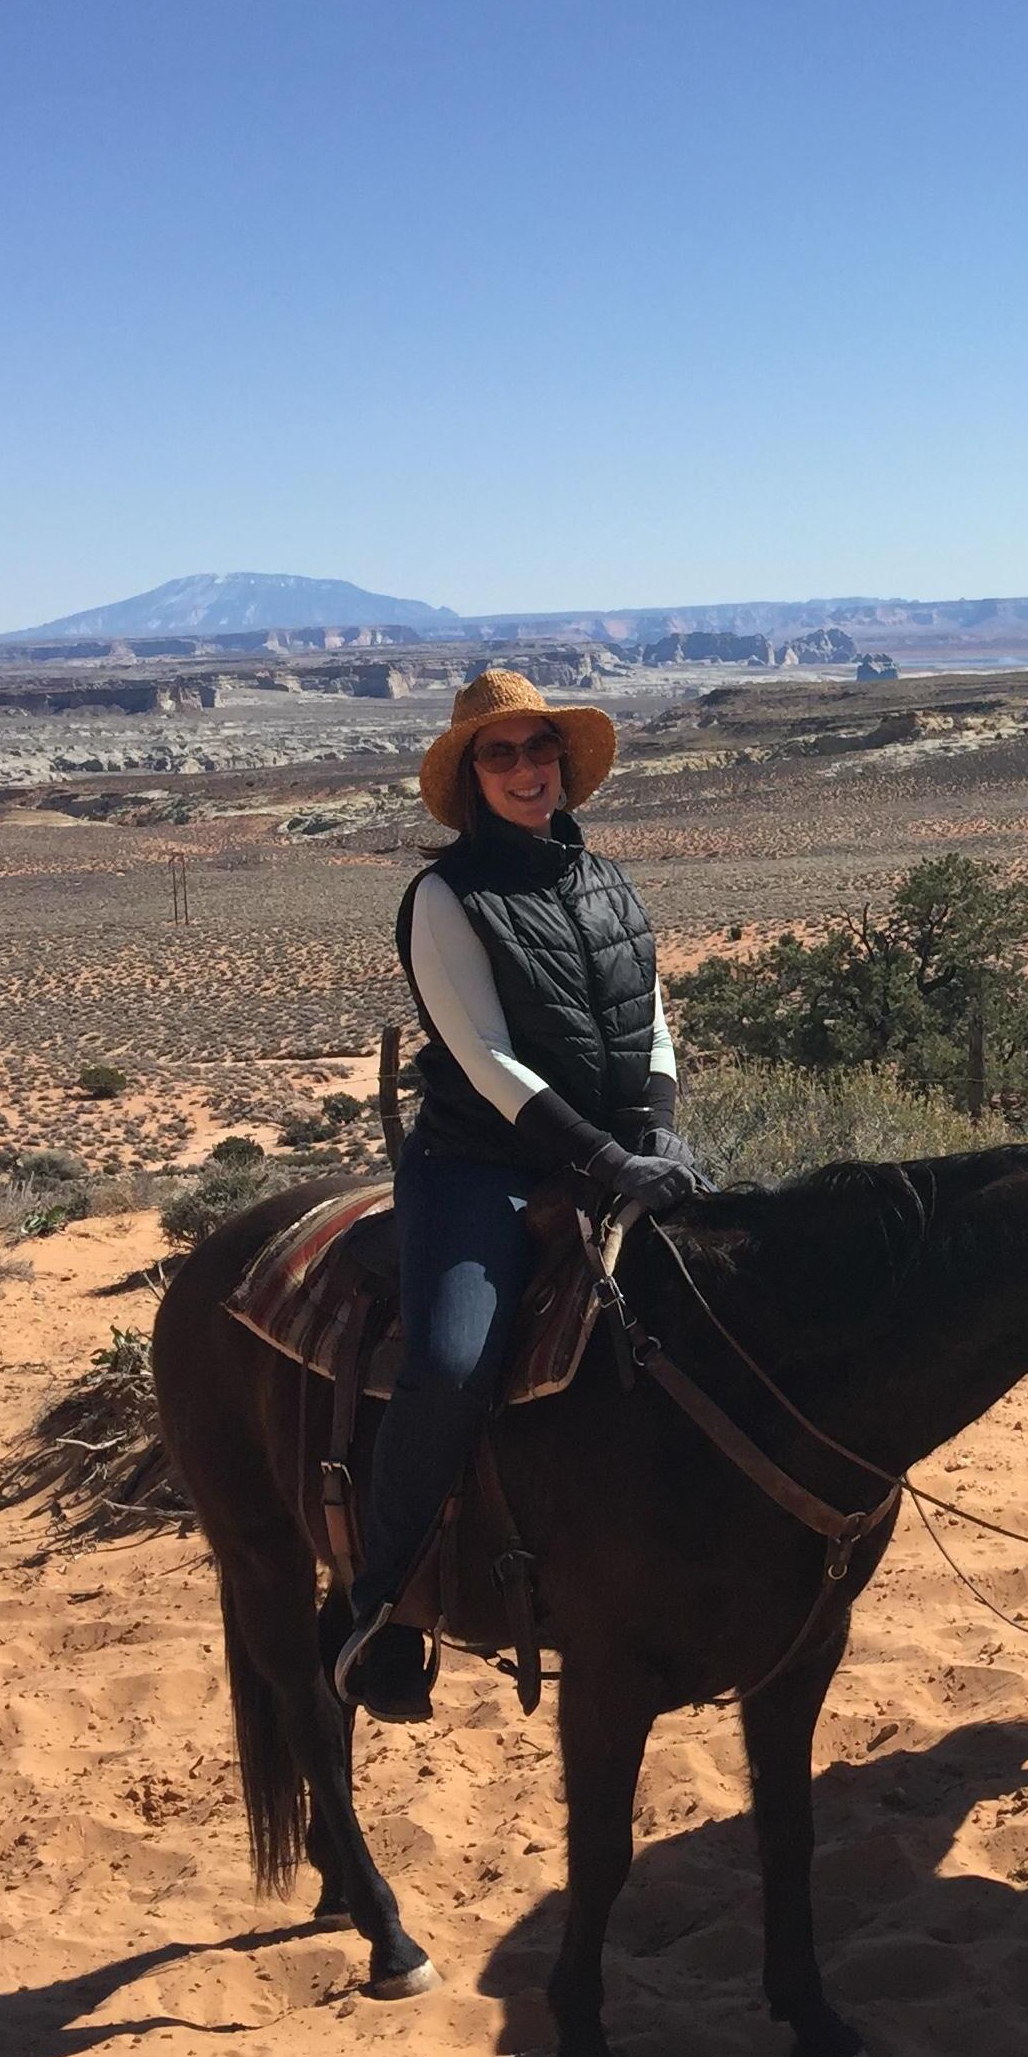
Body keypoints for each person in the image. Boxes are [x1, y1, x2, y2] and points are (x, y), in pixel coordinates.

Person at [328, 668, 704, 1721]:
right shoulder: (446, 900)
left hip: (624, 1148)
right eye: (502, 755)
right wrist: (607, 1160)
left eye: (540, 749)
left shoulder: (608, 882)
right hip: (482, 1175)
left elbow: (654, 1021)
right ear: (471, 779)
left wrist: (659, 1138)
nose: (527, 769)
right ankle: (385, 1608)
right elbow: (487, 1062)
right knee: (450, 1362)